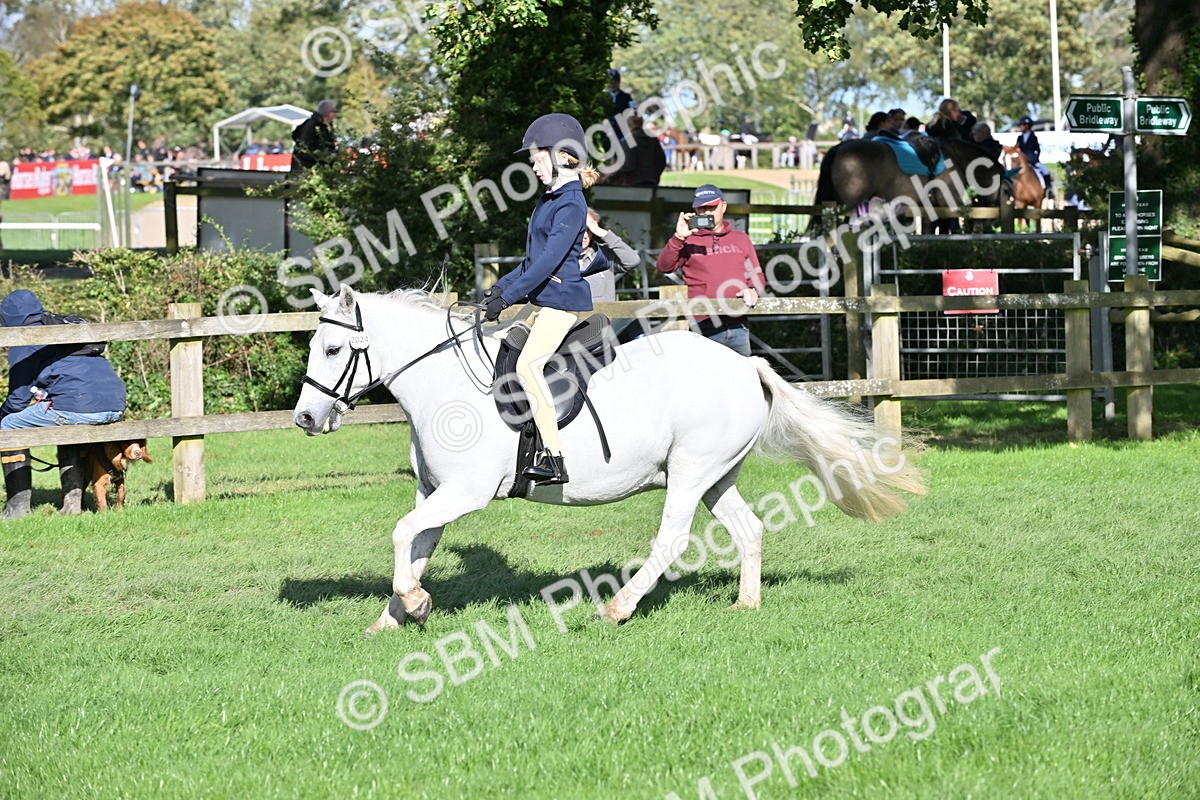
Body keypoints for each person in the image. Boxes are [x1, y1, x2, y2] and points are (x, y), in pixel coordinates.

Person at [482, 113, 597, 486]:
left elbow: (548, 264)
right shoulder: (548, 200)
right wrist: (499, 290)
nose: (532, 165)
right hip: (543, 302)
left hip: (562, 303)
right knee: (501, 345)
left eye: (536, 157)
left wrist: (511, 296)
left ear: (563, 155)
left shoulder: (571, 203)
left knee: (529, 367)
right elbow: (531, 262)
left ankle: (554, 456)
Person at [0, 290, 128, 518]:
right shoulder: (58, 324)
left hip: (78, 407)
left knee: (9, 425)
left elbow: (18, 399)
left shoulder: (23, 337)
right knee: (65, 422)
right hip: (116, 405)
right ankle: (71, 507)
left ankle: (16, 509)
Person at [656, 184, 765, 357]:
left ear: (723, 206)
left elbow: (756, 275)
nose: (707, 212)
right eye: (702, 208)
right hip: (703, 324)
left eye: (712, 207)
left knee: (741, 380)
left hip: (738, 324)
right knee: (705, 381)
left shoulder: (741, 239)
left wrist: (752, 290)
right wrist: (678, 237)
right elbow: (664, 266)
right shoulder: (688, 240)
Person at [579, 209, 640, 304]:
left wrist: (602, 232)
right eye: (580, 229)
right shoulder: (557, 257)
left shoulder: (604, 254)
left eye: (589, 230)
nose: (585, 235)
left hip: (602, 317)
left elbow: (633, 261)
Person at [606, 114, 667, 187]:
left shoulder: (629, 140)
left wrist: (610, 179)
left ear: (628, 124)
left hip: (634, 183)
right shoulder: (653, 139)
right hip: (651, 182)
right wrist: (655, 176)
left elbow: (629, 166)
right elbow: (661, 160)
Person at [290, 99, 338, 174]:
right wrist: (327, 156)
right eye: (334, 112)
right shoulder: (313, 126)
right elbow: (306, 149)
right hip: (307, 170)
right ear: (329, 113)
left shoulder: (321, 126)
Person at [1015, 114, 1052, 186]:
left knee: (1046, 171)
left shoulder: (1033, 137)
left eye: (1021, 125)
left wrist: (1032, 160)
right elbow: (1017, 149)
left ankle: (1048, 189)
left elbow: (1037, 150)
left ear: (1026, 126)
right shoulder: (1019, 138)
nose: (1020, 127)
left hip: (1033, 162)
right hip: (1022, 162)